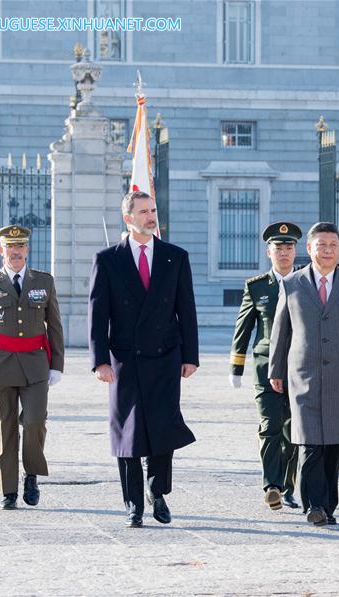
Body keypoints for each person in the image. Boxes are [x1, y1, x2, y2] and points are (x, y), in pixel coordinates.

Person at [88, 190, 198, 528]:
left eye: (153, 210)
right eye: (144, 212)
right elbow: (97, 313)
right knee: (128, 434)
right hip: (125, 359)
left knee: (163, 427)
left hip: (166, 356)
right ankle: (133, 503)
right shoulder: (108, 259)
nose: (151, 217)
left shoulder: (174, 256)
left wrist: (190, 356)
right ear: (128, 218)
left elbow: (186, 310)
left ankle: (158, 491)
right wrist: (100, 360)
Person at [268, 222, 339, 527]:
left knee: (333, 445)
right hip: (303, 376)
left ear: (338, 249)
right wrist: (275, 370)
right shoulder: (291, 284)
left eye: (332, 245)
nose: (327, 251)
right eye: (321, 245)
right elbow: (281, 332)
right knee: (310, 443)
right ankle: (313, 505)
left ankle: (328, 504)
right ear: (309, 249)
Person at [0, 225, 64, 510]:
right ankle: (8, 489)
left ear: (27, 249)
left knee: (35, 423)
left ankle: (31, 474)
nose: (16, 251)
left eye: (20, 246)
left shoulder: (43, 282)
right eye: (11, 247)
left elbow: (54, 326)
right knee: (4, 428)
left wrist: (57, 364)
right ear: (2, 251)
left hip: (35, 365)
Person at [229, 222, 302, 511]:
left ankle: (289, 487)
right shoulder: (256, 286)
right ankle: (271, 485)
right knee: (270, 426)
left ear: (296, 251)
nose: (283, 253)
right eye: (278, 248)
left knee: (293, 430)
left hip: (298, 369)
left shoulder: (305, 283)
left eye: (288, 248)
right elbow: (243, 328)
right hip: (264, 368)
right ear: (268, 251)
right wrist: (236, 367)